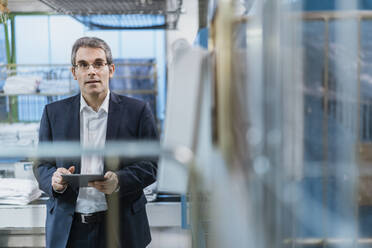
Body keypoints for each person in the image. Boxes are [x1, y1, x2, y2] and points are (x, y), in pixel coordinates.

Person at [34, 37, 158, 248]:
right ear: (74, 72)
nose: (91, 70)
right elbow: (42, 165)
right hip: (68, 230)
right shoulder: (53, 113)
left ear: (111, 69)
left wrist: (119, 181)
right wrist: (54, 181)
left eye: (98, 63)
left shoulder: (138, 111)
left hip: (121, 228)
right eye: (83, 65)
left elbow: (152, 165)